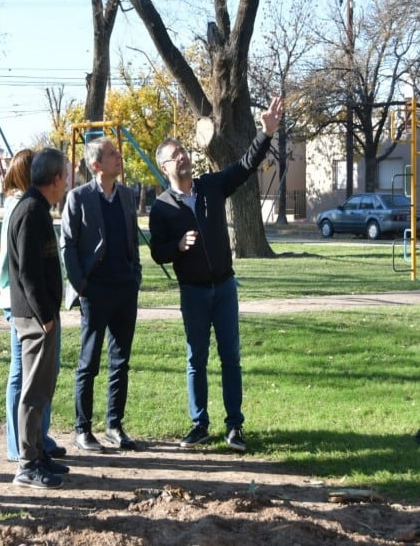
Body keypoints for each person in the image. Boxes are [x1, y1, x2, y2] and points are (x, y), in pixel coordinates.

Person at [149, 97, 284, 453]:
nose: (183, 157)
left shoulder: (210, 185)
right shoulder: (162, 207)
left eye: (184, 152)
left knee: (231, 357)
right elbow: (157, 252)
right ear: (165, 165)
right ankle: (199, 425)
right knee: (197, 359)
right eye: (176, 155)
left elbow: (243, 167)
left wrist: (265, 133)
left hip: (224, 287)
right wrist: (177, 245)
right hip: (193, 292)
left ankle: (234, 426)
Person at [60, 137, 141, 451]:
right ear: (96, 165)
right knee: (88, 363)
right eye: (111, 154)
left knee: (120, 362)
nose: (118, 157)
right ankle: (83, 429)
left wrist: (135, 276)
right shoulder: (78, 198)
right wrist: (82, 287)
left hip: (124, 290)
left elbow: (132, 240)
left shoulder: (126, 195)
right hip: (94, 292)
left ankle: (114, 425)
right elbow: (67, 245)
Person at [0, 149, 65, 462]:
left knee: (41, 389)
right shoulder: (29, 211)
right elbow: (26, 271)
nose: (68, 182)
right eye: (66, 175)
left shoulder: (38, 208)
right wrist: (45, 315)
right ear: (56, 178)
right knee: (32, 390)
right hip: (34, 317)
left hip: (41, 315)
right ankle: (27, 461)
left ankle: (38, 452)